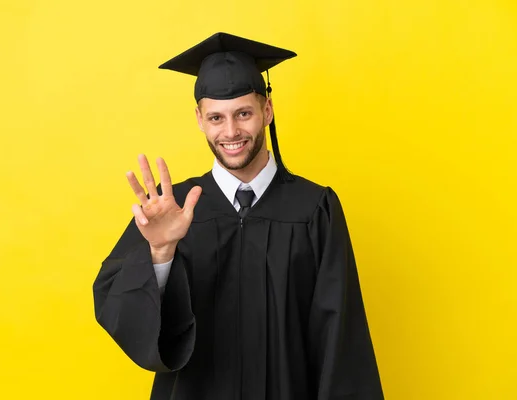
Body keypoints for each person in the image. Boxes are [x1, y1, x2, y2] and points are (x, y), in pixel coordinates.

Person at [93, 32, 384, 400]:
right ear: (199, 119)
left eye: (243, 113)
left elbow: (341, 340)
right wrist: (161, 254)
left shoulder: (314, 210)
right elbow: (119, 310)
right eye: (216, 117)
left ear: (267, 110)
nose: (230, 132)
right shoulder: (173, 209)